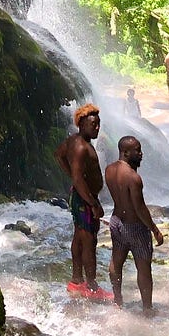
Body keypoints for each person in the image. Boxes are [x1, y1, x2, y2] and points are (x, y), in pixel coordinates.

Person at [54, 104, 113, 302]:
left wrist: (73, 177)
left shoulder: (74, 141)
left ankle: (76, 281)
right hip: (84, 198)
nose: (97, 128)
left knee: (79, 238)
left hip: (80, 196)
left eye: (98, 124)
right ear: (81, 124)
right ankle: (91, 286)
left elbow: (59, 155)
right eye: (93, 125)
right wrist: (93, 203)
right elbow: (79, 179)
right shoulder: (81, 147)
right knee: (89, 241)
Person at [105, 136, 166, 311]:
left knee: (116, 261)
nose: (141, 154)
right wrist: (154, 229)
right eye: (137, 151)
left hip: (116, 221)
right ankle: (147, 309)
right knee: (143, 266)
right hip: (135, 227)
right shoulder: (133, 177)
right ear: (125, 152)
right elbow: (139, 208)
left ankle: (117, 301)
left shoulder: (109, 170)